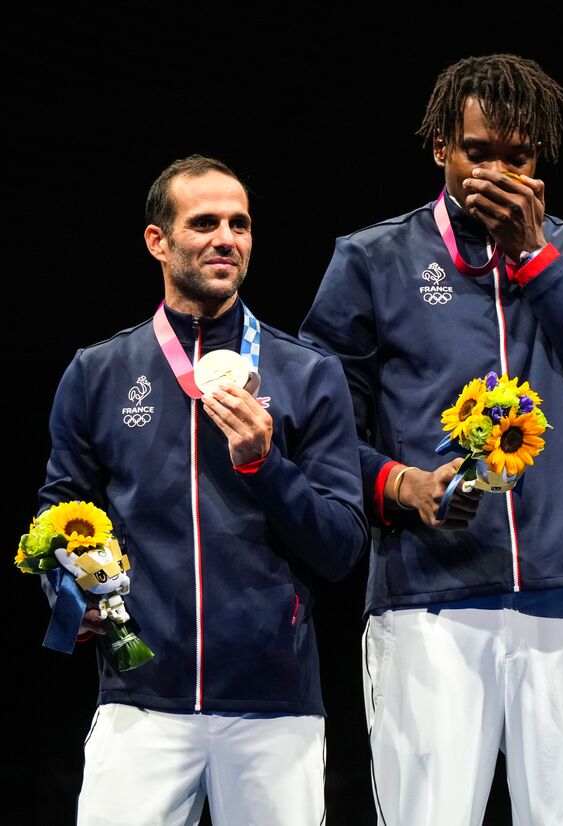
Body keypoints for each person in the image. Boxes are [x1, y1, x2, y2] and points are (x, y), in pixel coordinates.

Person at [300, 54, 563, 825]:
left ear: (543, 159)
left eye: (518, 156)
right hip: (429, 596)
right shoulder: (372, 260)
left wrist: (538, 260)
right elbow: (319, 431)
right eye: (479, 152)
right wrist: (399, 484)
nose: (497, 172)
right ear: (440, 147)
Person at [35, 155, 368, 824]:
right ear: (158, 241)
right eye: (205, 222)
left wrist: (262, 463)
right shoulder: (99, 372)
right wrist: (71, 600)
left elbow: (341, 548)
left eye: (239, 224)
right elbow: (57, 513)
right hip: (139, 705)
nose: (226, 238)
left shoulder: (308, 373)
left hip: (274, 710)